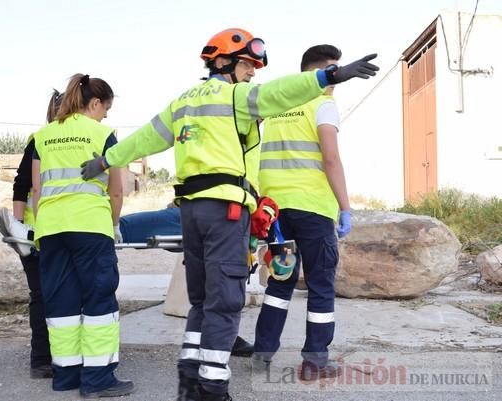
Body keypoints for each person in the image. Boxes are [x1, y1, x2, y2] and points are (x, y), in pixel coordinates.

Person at [80, 28, 378, 401]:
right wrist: (330, 76)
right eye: (248, 64)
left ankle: (191, 375)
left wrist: (107, 160)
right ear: (223, 62)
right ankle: (213, 388)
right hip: (228, 211)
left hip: (193, 210)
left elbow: (145, 138)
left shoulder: (183, 102)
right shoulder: (236, 96)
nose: (253, 72)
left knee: (204, 299)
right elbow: (280, 91)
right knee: (226, 300)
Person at [252, 45, 352, 381]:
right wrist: (346, 207)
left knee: (281, 282)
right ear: (319, 71)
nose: (336, 81)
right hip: (312, 209)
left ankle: (262, 354)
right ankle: (315, 363)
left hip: (275, 212)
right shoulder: (322, 103)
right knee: (321, 285)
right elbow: (331, 158)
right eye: (333, 72)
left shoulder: (279, 105)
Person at [31, 73, 132, 397]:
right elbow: (116, 191)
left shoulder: (43, 135)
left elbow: (37, 188)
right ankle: (99, 379)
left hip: (50, 228)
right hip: (89, 225)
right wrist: (113, 224)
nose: (106, 115)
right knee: (99, 299)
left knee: (61, 302)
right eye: (106, 108)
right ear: (94, 102)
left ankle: (66, 375)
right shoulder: (102, 134)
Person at [0, 89, 65, 379]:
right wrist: (20, 229)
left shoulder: (52, 138)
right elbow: (22, 186)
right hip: (42, 232)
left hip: (50, 229)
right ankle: (44, 359)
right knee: (47, 295)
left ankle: (47, 359)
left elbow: (21, 186)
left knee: (45, 295)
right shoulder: (41, 139)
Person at [119, 206, 255, 357]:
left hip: (206, 212)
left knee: (211, 292)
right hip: (210, 213)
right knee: (218, 293)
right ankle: (220, 339)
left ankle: (220, 338)